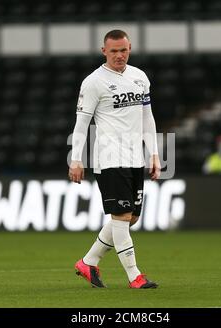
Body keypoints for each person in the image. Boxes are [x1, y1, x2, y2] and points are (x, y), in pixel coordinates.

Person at [68, 30, 160, 289]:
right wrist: (76, 160)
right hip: (109, 157)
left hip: (135, 157)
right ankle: (135, 276)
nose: (119, 55)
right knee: (121, 216)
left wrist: (153, 153)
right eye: (114, 51)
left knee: (131, 218)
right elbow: (81, 124)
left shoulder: (139, 77)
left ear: (129, 48)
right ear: (104, 51)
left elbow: (147, 118)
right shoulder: (93, 82)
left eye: (123, 50)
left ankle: (88, 261)